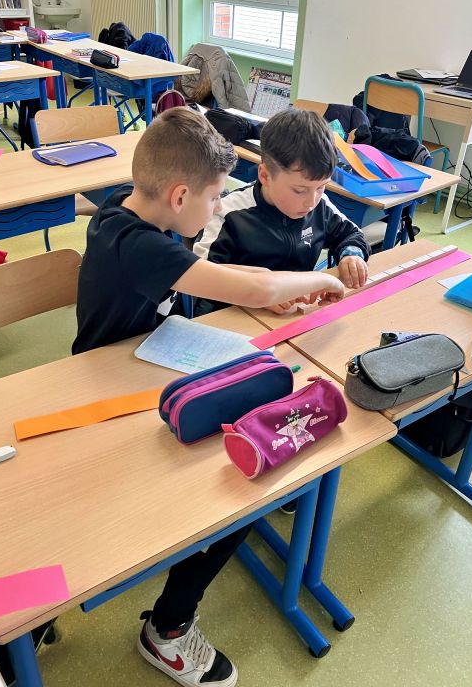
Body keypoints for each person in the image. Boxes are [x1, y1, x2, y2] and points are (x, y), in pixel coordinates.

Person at [73, 107, 345, 687]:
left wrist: (257, 297)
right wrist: (322, 280)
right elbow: (258, 284)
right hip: (113, 395)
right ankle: (167, 629)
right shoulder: (139, 244)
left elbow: (214, 289)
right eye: (215, 196)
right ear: (179, 197)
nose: (220, 206)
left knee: (250, 440)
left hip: (151, 365)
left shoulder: (133, 210)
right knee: (242, 482)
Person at [194, 107, 370, 316]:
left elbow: (352, 234)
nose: (311, 201)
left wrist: (351, 255)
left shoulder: (320, 206)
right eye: (299, 190)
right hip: (237, 320)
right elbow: (199, 279)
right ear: (265, 176)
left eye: (321, 187)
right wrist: (257, 296)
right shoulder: (227, 214)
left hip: (294, 318)